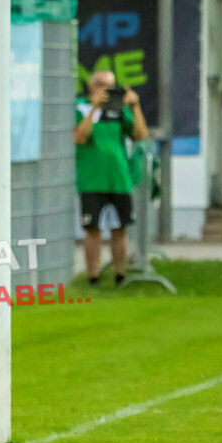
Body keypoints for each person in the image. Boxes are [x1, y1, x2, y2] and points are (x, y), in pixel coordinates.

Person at [73, 70, 149, 286]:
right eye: (100, 84)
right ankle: (93, 277)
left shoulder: (119, 110)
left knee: (120, 228)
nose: (105, 90)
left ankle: (120, 274)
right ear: (91, 86)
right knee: (92, 230)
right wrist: (95, 108)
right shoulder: (81, 107)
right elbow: (79, 137)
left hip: (119, 178)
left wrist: (135, 107)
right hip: (92, 180)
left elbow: (140, 135)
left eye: (110, 85)